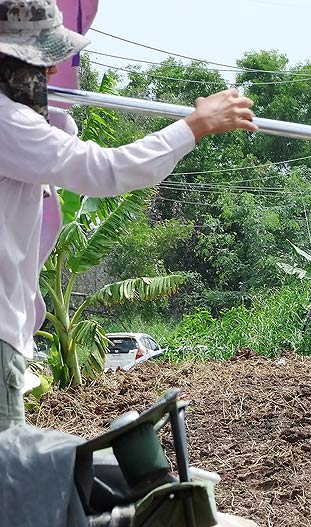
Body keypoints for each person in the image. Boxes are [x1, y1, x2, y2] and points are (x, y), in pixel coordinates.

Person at [0, 0, 255, 433]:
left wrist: (56, 121)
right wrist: (194, 126)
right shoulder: (8, 122)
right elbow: (106, 171)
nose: (48, 77)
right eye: (40, 66)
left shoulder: (19, 126)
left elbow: (58, 150)